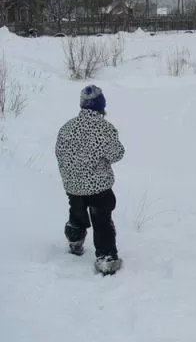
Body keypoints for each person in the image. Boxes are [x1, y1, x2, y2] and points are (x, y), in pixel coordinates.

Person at [55, 85, 125, 274]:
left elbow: (59, 153)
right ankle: (106, 258)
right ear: (101, 106)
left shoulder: (67, 127)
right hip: (98, 186)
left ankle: (75, 241)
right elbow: (117, 154)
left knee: (77, 212)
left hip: (72, 184)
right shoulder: (104, 129)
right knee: (101, 220)